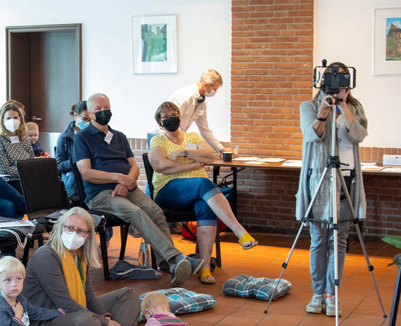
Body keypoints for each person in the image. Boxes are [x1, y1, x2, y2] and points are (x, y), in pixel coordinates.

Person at [72, 93, 191, 286]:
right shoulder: (82, 138)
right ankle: (174, 258)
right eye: (99, 110)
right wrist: (118, 178)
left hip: (127, 188)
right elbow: (87, 173)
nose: (104, 112)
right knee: (136, 213)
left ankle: (165, 263)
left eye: (106, 108)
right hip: (100, 194)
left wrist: (126, 181)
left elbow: (134, 166)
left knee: (156, 212)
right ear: (90, 114)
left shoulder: (119, 136)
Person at [148, 100, 257, 285]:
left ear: (180, 117)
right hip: (168, 190)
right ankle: (239, 230)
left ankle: (204, 267)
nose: (170, 119)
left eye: (173, 116)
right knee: (203, 183)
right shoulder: (158, 140)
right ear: (160, 121)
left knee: (205, 206)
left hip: (196, 192)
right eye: (165, 117)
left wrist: (183, 153)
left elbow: (209, 156)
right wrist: (192, 165)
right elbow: (160, 165)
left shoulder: (191, 137)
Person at [297, 61, 367, 317]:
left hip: (347, 178)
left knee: (339, 241)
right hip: (320, 179)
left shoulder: (355, 107)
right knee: (319, 240)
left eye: (343, 84)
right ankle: (317, 294)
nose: (339, 88)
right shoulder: (310, 106)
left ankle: (332, 294)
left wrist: (345, 106)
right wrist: (324, 111)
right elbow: (311, 135)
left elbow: (358, 135)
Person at [24, 208, 139, 326]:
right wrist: (105, 323)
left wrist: (105, 316)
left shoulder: (79, 255)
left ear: (87, 236)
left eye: (80, 231)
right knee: (85, 322)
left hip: (74, 312)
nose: (73, 234)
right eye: (69, 228)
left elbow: (88, 294)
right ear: (60, 228)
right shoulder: (46, 256)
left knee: (128, 295)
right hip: (47, 322)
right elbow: (63, 303)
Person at [168, 68, 225, 154]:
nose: (215, 92)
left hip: (176, 138)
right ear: (206, 85)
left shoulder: (201, 101)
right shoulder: (185, 95)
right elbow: (171, 120)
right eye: (215, 89)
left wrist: (222, 149)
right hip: (162, 135)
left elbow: (204, 129)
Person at [0, 100, 37, 185]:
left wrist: (28, 170)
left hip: (26, 177)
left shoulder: (23, 137)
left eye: (15, 118)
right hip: (9, 181)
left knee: (56, 183)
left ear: (20, 119)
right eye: (8, 118)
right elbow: (4, 169)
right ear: (3, 121)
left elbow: (31, 160)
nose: (12, 121)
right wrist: (26, 169)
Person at [56, 101, 89, 201]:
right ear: (75, 115)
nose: (88, 122)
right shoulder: (64, 137)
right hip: (73, 183)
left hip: (90, 180)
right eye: (85, 119)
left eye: (91, 119)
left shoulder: (92, 134)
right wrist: (76, 161)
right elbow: (59, 164)